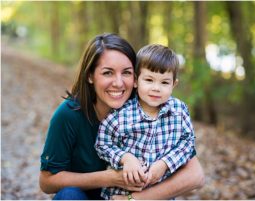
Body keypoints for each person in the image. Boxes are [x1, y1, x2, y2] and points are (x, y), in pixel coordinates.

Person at [39, 33, 205, 200]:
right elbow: (47, 182)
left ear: (135, 77)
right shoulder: (69, 115)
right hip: (89, 196)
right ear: (90, 75)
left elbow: (195, 175)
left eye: (126, 72)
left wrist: (135, 199)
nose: (118, 83)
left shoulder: (151, 104)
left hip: (136, 197)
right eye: (108, 73)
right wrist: (112, 177)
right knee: (69, 195)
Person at [95, 44, 195, 200]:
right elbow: (103, 144)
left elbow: (187, 143)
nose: (156, 88)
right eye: (149, 80)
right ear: (135, 81)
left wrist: (165, 164)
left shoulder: (178, 110)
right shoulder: (120, 115)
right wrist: (125, 158)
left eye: (164, 83)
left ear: (174, 84)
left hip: (160, 196)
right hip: (120, 194)